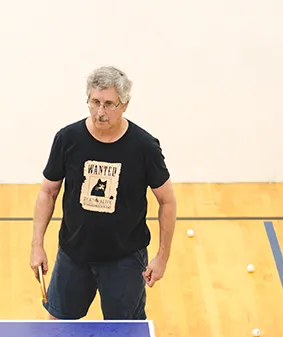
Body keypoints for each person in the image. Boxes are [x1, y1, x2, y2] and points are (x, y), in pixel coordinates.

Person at [30, 65, 177, 321]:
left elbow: (167, 201)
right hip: (73, 255)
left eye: (109, 104)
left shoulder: (144, 147)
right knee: (57, 329)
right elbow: (48, 192)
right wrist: (37, 246)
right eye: (95, 102)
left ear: (125, 105)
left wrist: (162, 258)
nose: (100, 112)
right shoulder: (67, 139)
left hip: (124, 261)